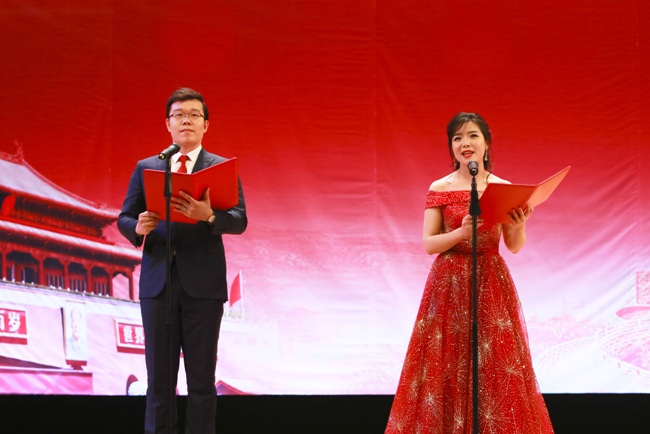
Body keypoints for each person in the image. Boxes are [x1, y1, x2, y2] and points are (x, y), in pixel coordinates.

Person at [385, 112, 554, 433]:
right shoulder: (439, 187)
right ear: (451, 147)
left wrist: (520, 225)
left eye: (473, 135)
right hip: (449, 281)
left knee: (495, 362)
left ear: (486, 143)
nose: (465, 143)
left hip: (490, 280)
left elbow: (513, 245)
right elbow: (429, 243)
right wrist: (461, 233)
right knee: (447, 362)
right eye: (457, 138)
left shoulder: (502, 187)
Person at [118, 87, 247, 434]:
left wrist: (209, 216)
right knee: (159, 382)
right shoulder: (148, 167)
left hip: (203, 288)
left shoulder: (221, 167)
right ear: (168, 124)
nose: (186, 120)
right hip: (158, 286)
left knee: (201, 382)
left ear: (206, 125)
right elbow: (124, 217)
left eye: (193, 115)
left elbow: (239, 219)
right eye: (179, 115)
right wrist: (138, 227)